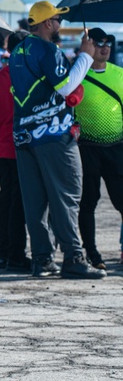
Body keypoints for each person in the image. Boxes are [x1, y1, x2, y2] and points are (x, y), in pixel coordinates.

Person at [9, 1, 104, 279]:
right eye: (57, 20)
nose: (60, 25)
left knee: (35, 201)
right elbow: (66, 88)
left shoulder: (18, 49)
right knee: (66, 195)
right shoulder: (47, 49)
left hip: (24, 135)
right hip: (52, 135)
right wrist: (86, 56)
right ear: (48, 23)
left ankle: (42, 259)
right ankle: (74, 257)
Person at [74, 28, 123, 270]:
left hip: (117, 148)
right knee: (88, 202)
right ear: (88, 45)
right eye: (99, 42)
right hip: (87, 148)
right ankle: (92, 253)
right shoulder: (77, 74)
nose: (104, 47)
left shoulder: (119, 74)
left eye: (108, 43)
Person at [0, 32, 31, 272]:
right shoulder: (19, 75)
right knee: (18, 204)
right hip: (19, 145)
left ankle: (5, 253)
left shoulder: (0, 75)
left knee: (6, 202)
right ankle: (16, 254)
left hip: (4, 144)